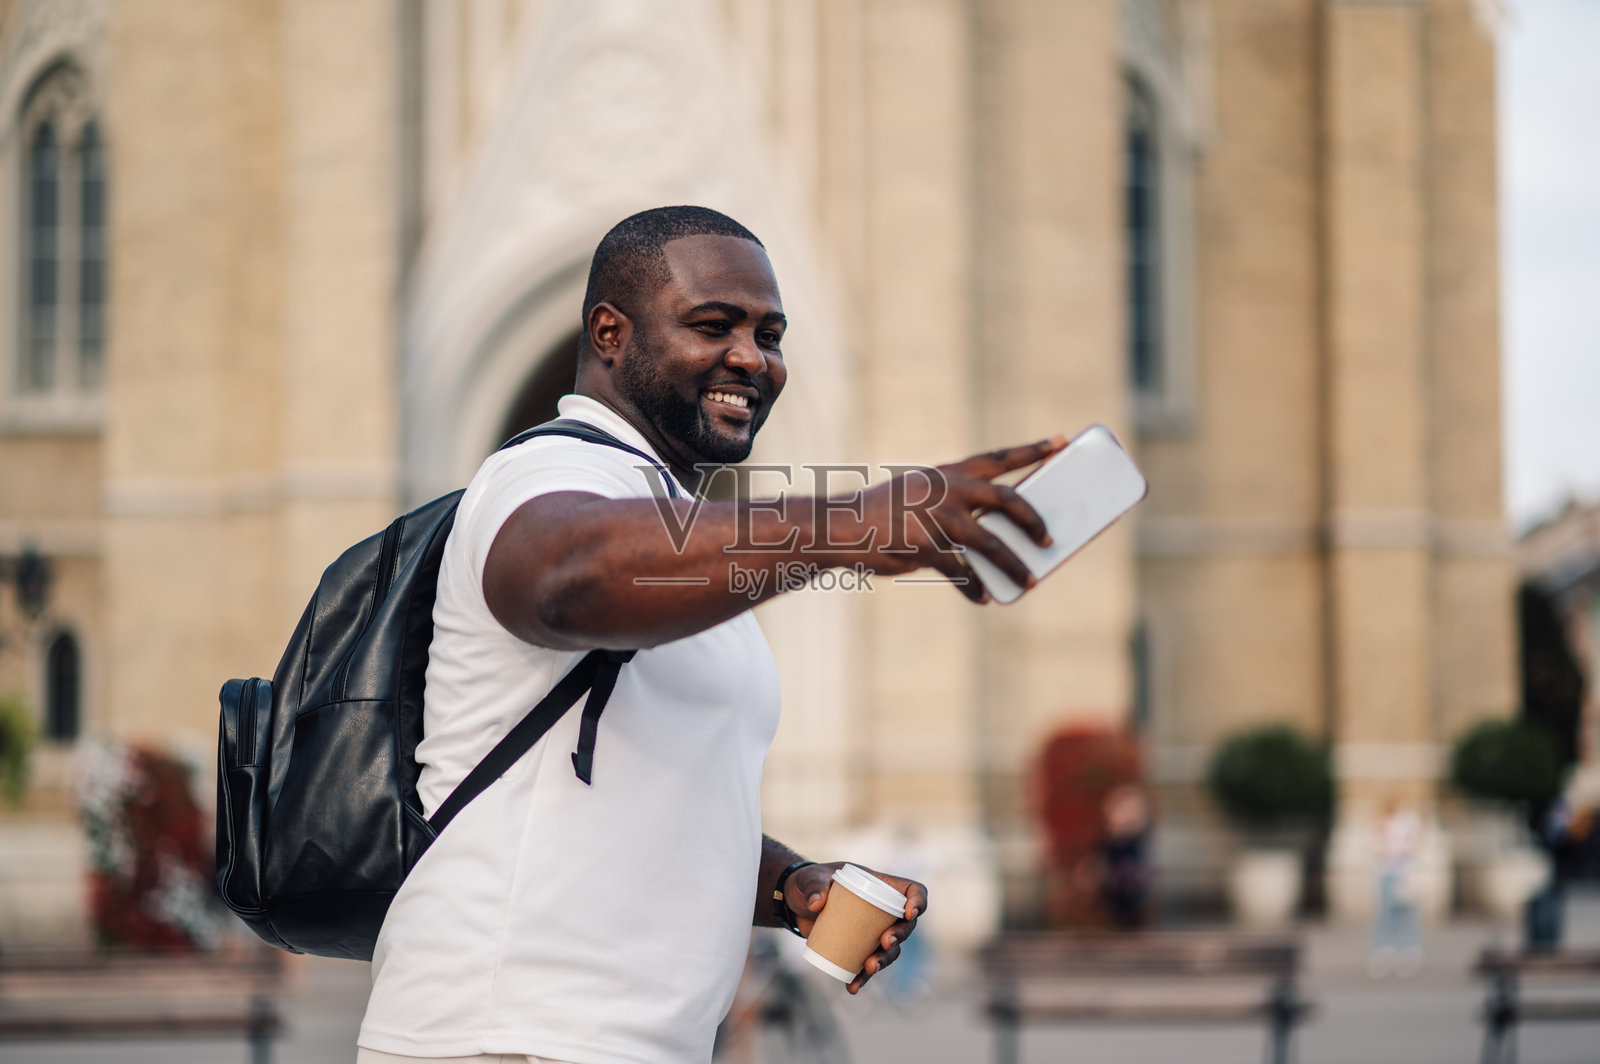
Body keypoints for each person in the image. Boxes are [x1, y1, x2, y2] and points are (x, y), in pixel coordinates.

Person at [357, 206, 1064, 1063]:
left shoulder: (673, 517)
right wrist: (849, 524)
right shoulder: (545, 469)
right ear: (610, 334)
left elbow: (651, 799)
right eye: (712, 324)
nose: (752, 358)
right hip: (510, 1033)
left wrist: (791, 885)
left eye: (770, 335)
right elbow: (561, 581)